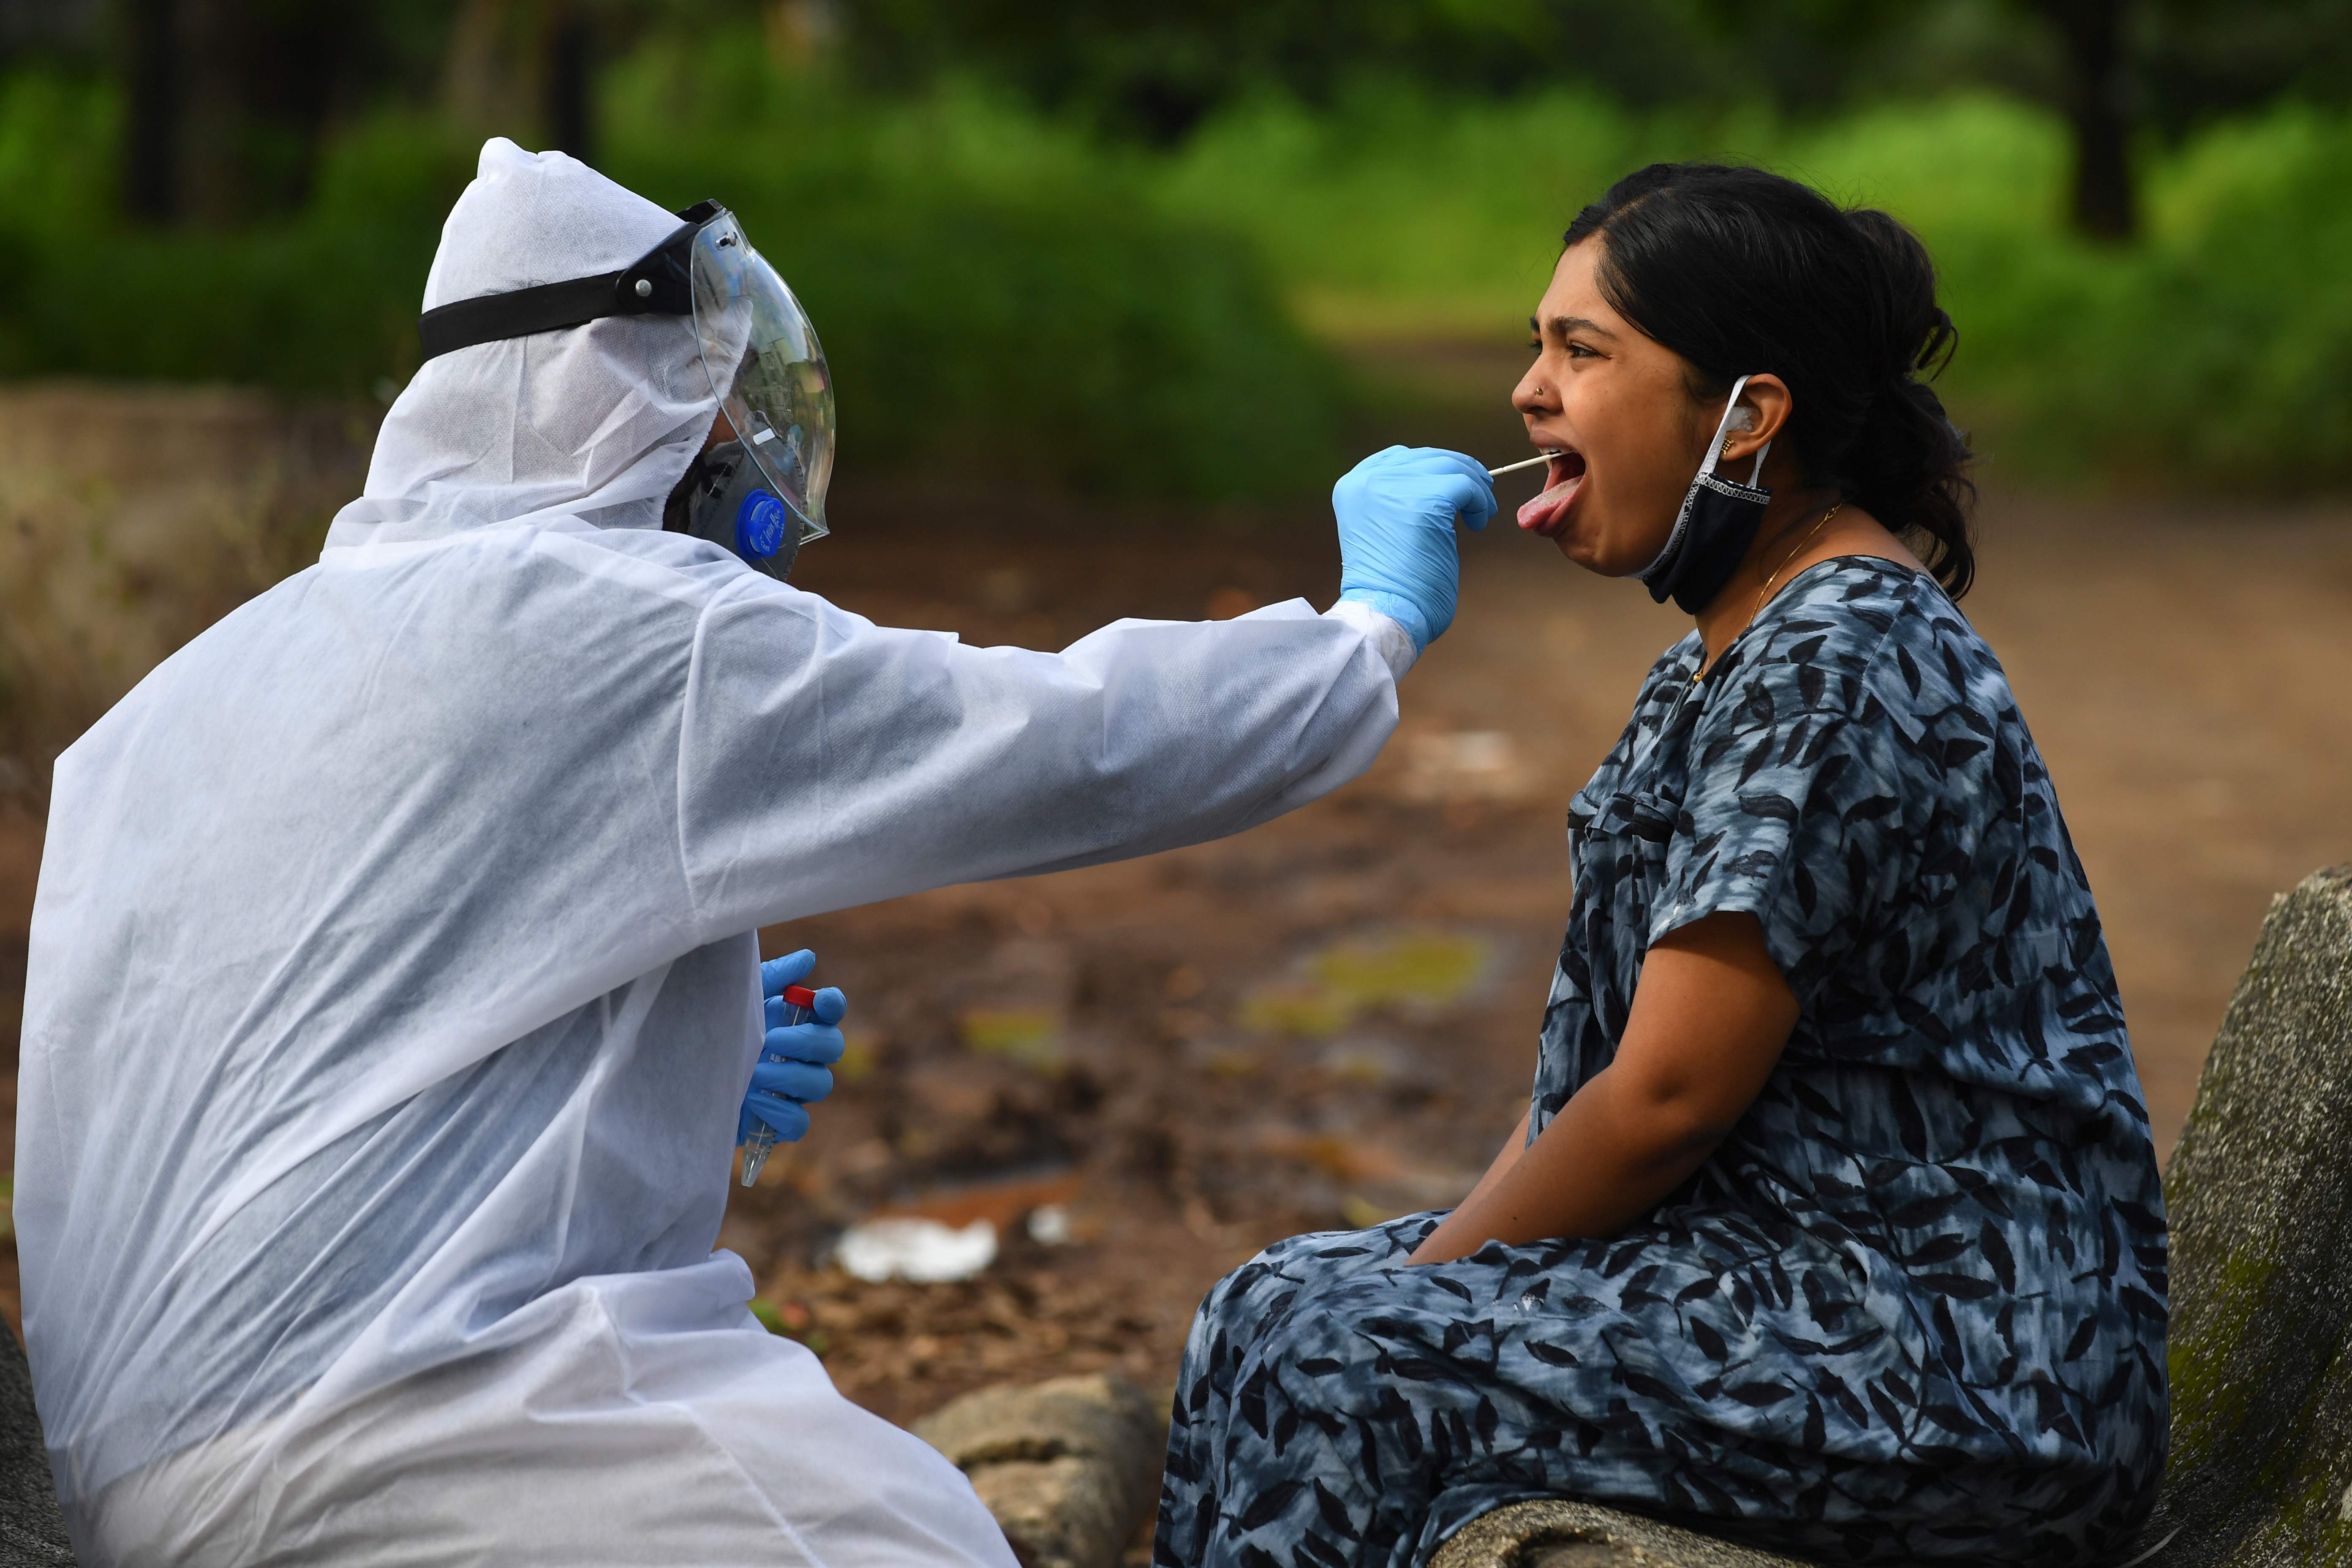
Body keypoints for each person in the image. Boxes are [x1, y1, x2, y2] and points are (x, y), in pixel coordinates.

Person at [14, 138, 1498, 1566]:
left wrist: (686, 1075)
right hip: (403, 1422)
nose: (743, 457)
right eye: (716, 412)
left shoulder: (189, 696)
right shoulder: (617, 624)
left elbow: (296, 1037)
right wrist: (1361, 632)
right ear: (611, 389)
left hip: (127, 1461)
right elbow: (1067, 739)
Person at [1157, 163, 2167, 1568]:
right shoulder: (1720, 654)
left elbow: (1669, 1098)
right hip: (1775, 1291)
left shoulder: (1839, 658)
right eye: (1536, 343)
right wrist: (1427, 1275)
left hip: (1961, 1355)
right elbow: (1590, 1086)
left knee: (1336, 1355)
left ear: (1747, 418)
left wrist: (1431, 1289)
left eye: (1584, 351)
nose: (1528, 389)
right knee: (1263, 1305)